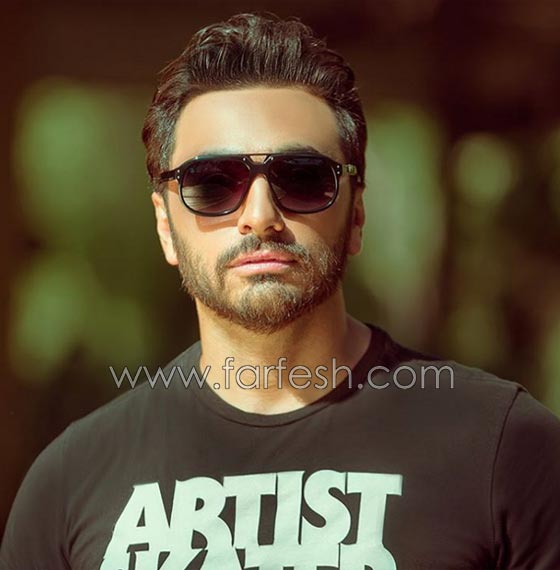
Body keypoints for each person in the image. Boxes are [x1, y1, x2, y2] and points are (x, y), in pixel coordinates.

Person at [2, 12, 560, 570]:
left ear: (357, 214)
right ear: (165, 226)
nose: (260, 215)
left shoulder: (504, 449)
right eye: (212, 184)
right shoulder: (69, 483)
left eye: (303, 177)